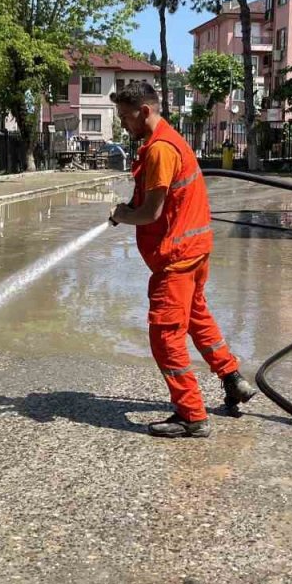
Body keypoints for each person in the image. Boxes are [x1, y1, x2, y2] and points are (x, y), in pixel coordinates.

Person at [108, 81, 257, 438]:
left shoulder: (161, 149)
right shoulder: (170, 140)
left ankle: (191, 415)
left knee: (165, 336)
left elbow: (151, 213)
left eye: (126, 117)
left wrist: (121, 214)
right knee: (196, 317)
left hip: (175, 258)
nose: (124, 124)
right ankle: (232, 378)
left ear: (145, 111)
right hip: (194, 250)